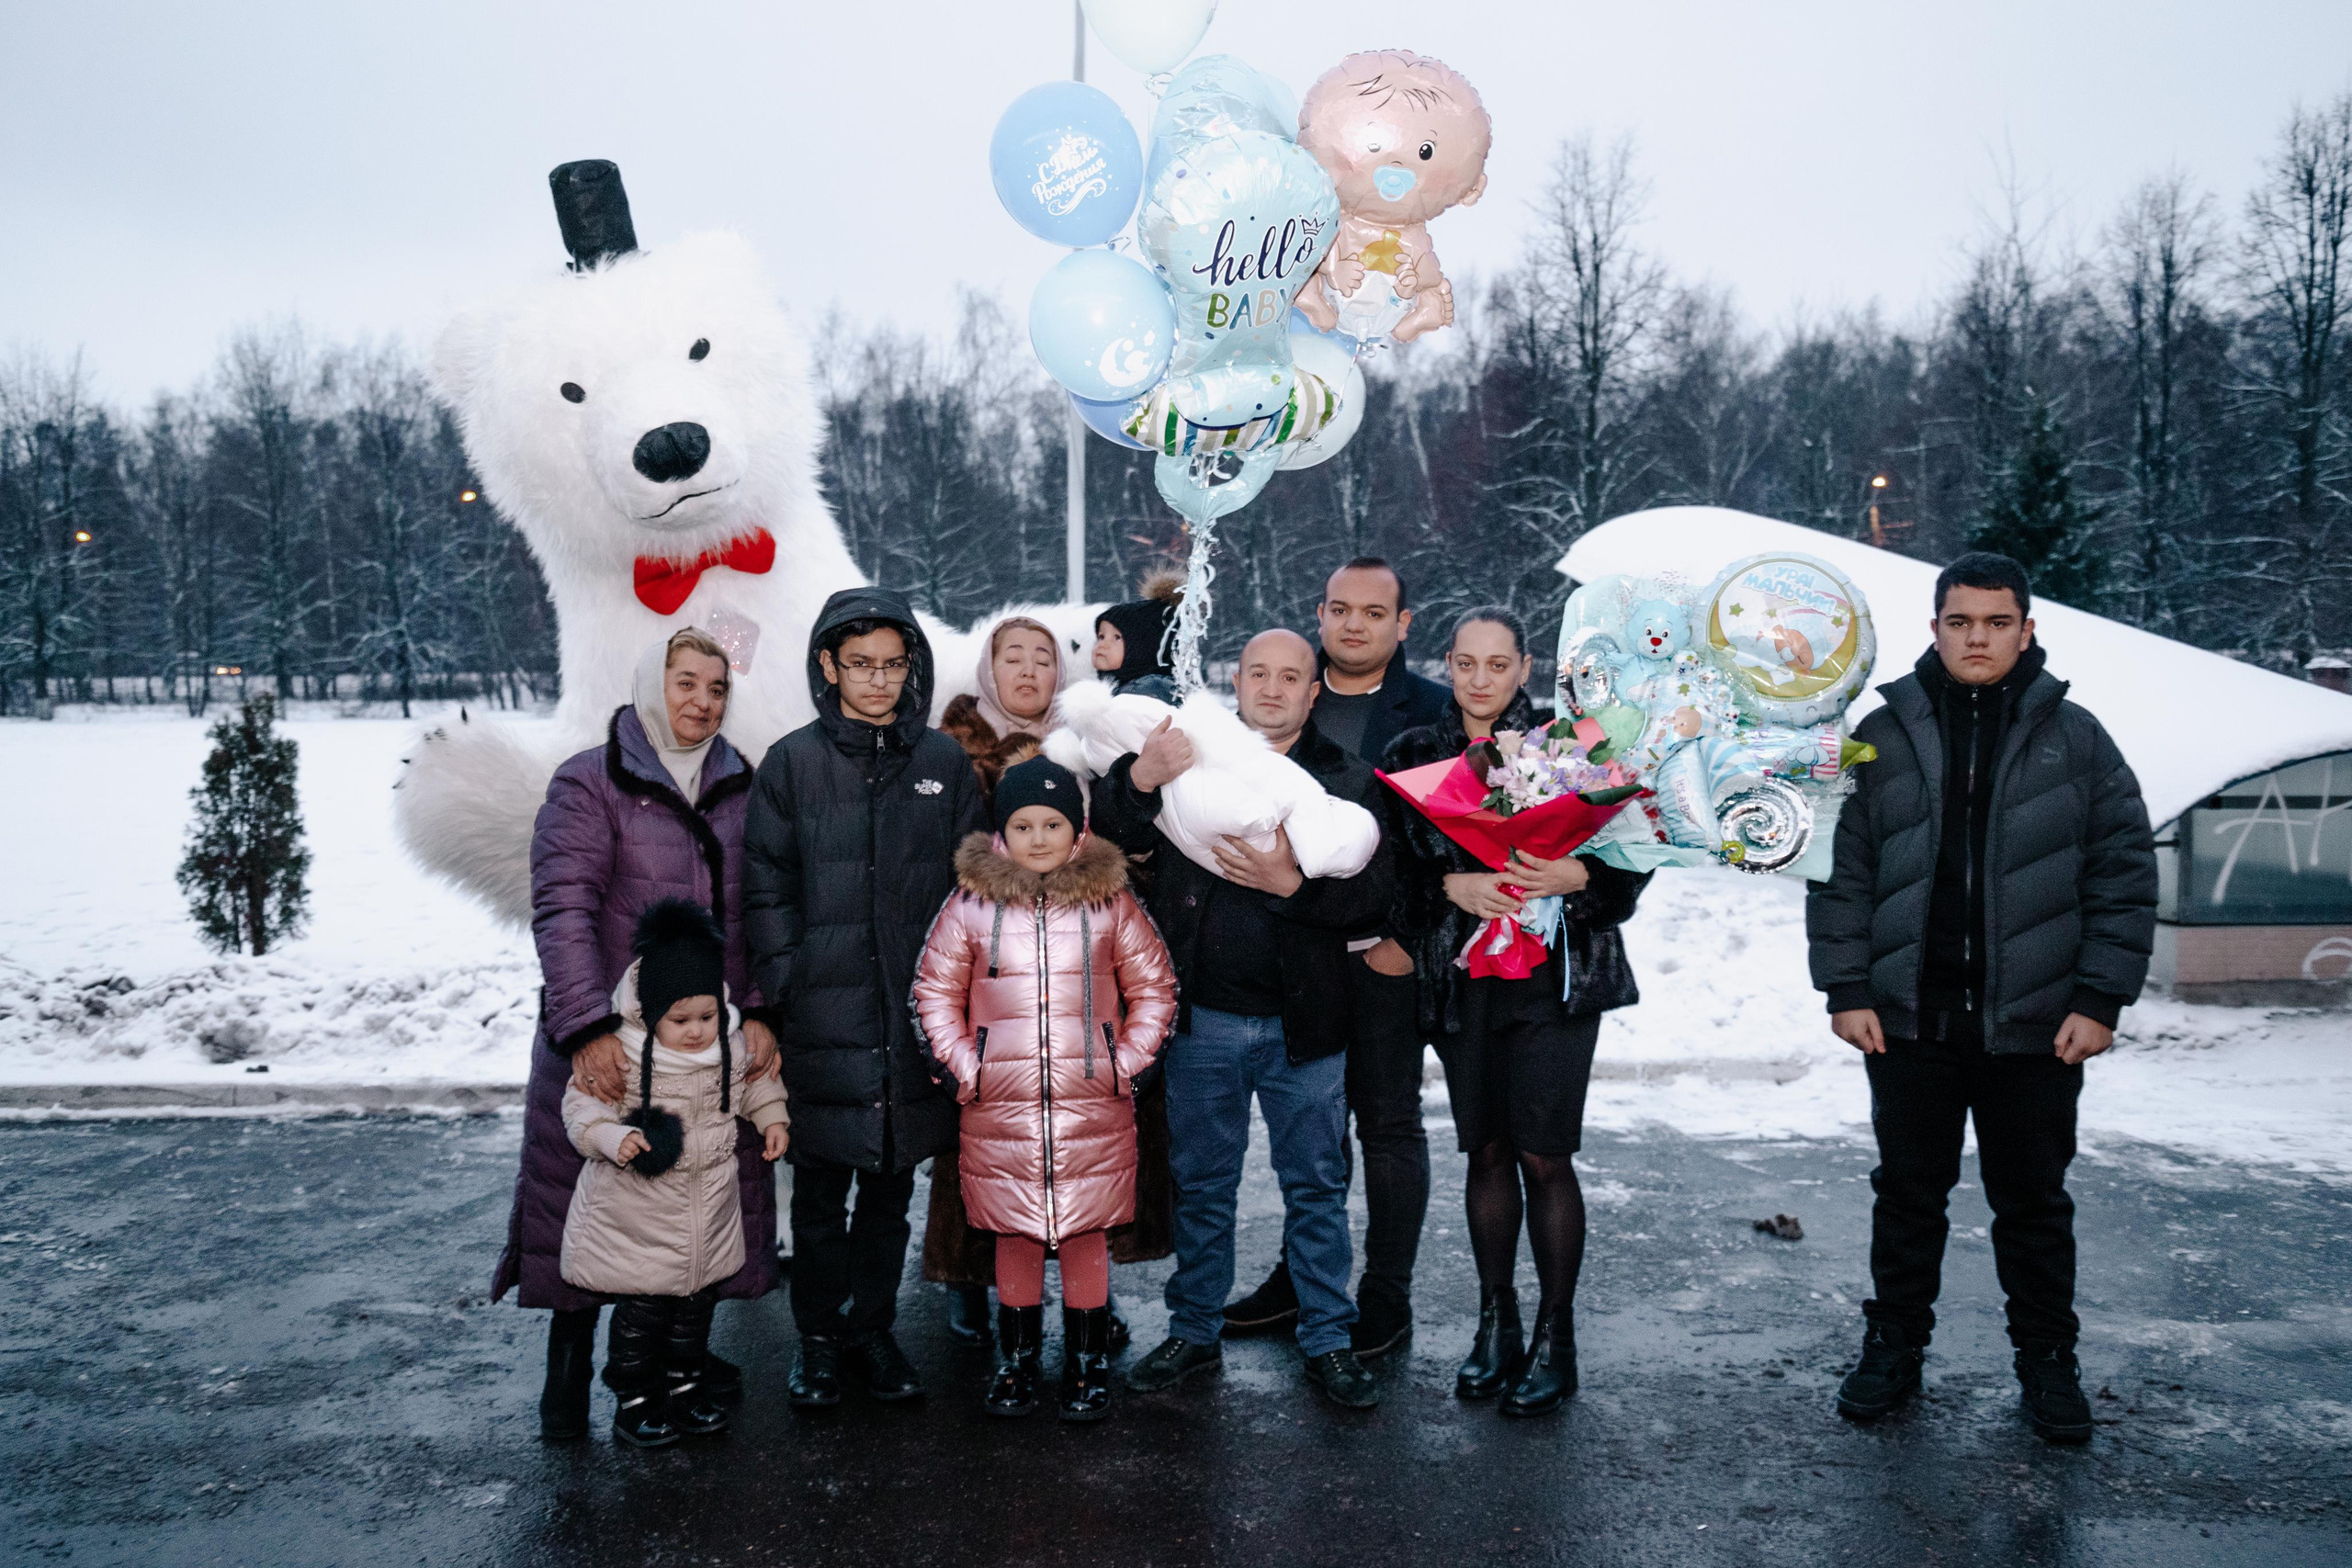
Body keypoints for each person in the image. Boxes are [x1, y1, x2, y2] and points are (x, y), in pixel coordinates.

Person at [1807, 551, 2156, 1445]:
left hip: (2036, 1026)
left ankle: (2046, 1362)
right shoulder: (1876, 733)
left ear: (2027, 630)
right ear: (1934, 629)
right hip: (1908, 1019)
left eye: (1996, 622)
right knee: (1907, 1196)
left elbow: (2121, 876)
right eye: (1960, 621)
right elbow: (1837, 873)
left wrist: (2100, 998)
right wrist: (1846, 986)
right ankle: (1893, 1348)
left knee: (2033, 1205)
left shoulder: (2076, 739)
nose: (1977, 637)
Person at [1093, 628, 1397, 1409]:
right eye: (1257, 672)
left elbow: (1377, 897)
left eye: (1289, 675)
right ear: (1237, 681)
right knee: (1202, 1185)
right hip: (1204, 1019)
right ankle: (1194, 1330)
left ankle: (1329, 1337)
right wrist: (1137, 778)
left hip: (1306, 1026)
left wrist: (1291, 883)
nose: (1271, 687)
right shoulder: (1189, 750)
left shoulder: (1348, 780)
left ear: (1312, 688)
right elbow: (1107, 837)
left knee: (1317, 1188)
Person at [494, 626, 783, 1443]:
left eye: (716, 688)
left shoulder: (741, 785)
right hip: (611, 1040)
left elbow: (753, 915)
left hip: (702, 1044)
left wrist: (756, 1011)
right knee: (585, 1211)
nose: (701, 701)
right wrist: (584, 1024)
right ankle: (569, 1379)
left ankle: (676, 1368)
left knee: (693, 1206)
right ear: (650, 684)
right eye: (685, 682)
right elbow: (564, 910)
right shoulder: (591, 781)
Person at [1385, 607, 1651, 1417]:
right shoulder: (1413, 756)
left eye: (1497, 664)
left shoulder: (1578, 751)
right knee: (1487, 1150)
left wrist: (1581, 878)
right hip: (1463, 981)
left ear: (1524, 667)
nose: (1478, 679)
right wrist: (1447, 888)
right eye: (1465, 663)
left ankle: (1555, 1335)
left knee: (1544, 1153)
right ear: (1449, 662)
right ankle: (1493, 1322)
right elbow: (1385, 876)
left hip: (1557, 978)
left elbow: (1631, 870)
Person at [742, 587, 987, 1407]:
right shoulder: (791, 763)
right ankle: (817, 1338)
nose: (878, 681)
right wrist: (788, 982)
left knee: (889, 1187)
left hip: (913, 1019)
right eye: (860, 665)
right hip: (825, 1014)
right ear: (828, 666)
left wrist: (954, 998)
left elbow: (971, 889)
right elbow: (765, 886)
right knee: (818, 1193)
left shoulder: (942, 764)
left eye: (892, 664)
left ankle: (873, 1330)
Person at [1224, 557, 1449, 1355]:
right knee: (1315, 1134)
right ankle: (1302, 1279)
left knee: (1388, 1126)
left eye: (1374, 612)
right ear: (1319, 614)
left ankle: (1386, 1294)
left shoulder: (1434, 711)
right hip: (1300, 954)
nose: (1355, 624)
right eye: (1340, 609)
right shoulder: (1282, 701)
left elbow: (1446, 843)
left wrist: (1406, 939)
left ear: (1403, 623)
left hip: (1383, 954)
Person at [911, 757, 1178, 1420]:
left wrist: (1127, 1063)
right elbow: (934, 990)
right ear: (1002, 831)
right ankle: (1018, 1358)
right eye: (1022, 824)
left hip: (1093, 1103)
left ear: (1077, 829)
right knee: (1015, 1234)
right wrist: (964, 1069)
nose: (1037, 837)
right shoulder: (970, 904)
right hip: (1000, 1107)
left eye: (1051, 823)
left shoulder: (1109, 901)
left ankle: (1087, 1362)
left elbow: (1154, 985)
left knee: (1086, 1233)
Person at [932, 616, 1161, 1348]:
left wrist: (1119, 1056)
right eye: (1012, 658)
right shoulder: (952, 749)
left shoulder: (1086, 745)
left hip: (1080, 1011)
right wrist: (967, 1057)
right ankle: (982, 1291)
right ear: (987, 667)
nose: (1028, 671)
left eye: (1043, 658)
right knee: (990, 1168)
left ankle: (1092, 1314)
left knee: (1088, 1174)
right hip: (991, 998)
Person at [560, 899, 790, 1447]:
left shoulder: (728, 1047)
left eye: (707, 1017)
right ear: (649, 1014)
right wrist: (613, 1139)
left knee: (694, 1309)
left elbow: (755, 1084)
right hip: (637, 1217)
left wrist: (772, 1115)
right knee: (642, 1314)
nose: (695, 1032)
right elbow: (581, 1109)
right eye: (680, 1021)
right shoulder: (623, 1055)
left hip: (707, 1212)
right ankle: (635, 1397)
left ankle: (686, 1385)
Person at [1092, 572, 1183, 702]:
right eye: (1101, 637)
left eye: (1117, 637)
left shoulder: (1147, 692)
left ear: (1144, 647)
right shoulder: (1126, 687)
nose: (1102, 645)